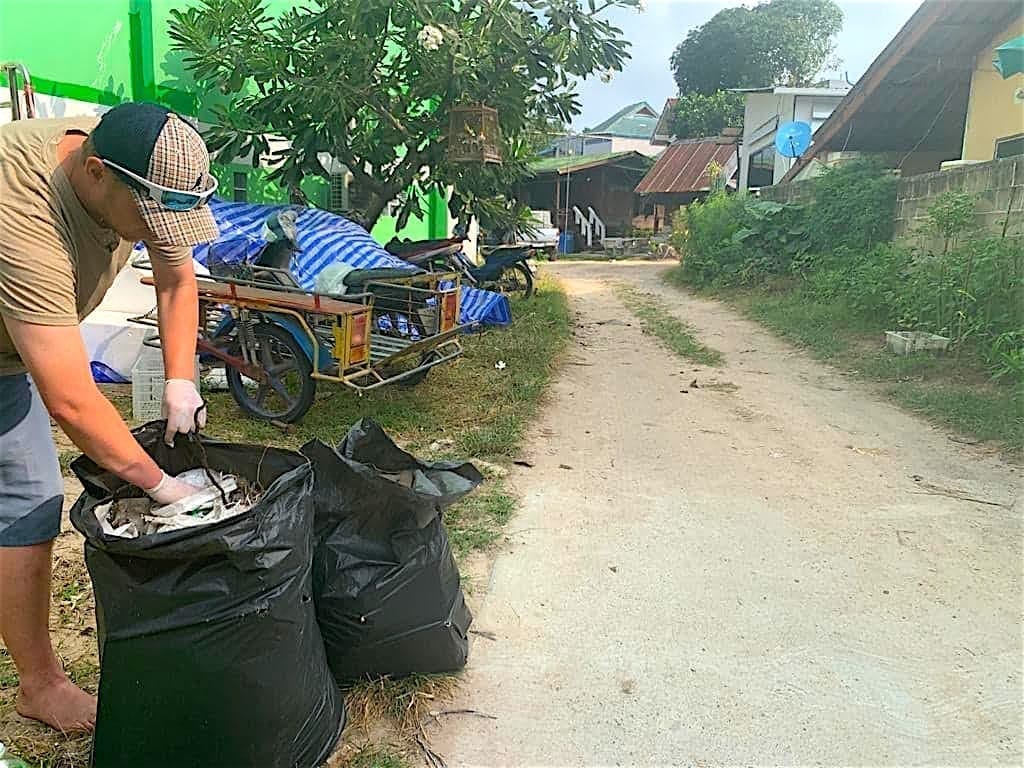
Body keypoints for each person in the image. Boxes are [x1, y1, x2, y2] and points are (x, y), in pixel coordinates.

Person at [0, 103, 219, 732]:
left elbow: (177, 281)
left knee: (28, 505)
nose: (157, 233)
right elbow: (71, 399)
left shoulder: (136, 179)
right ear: (95, 173)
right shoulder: (23, 212)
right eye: (148, 220)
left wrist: (181, 379)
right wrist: (162, 486)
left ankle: (39, 686)